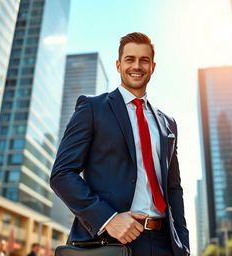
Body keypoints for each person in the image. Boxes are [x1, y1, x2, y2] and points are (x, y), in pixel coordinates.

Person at [50, 32, 190, 256]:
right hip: (109, 241)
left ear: (153, 66)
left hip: (165, 244)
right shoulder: (92, 109)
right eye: (130, 59)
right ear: (118, 65)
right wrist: (108, 219)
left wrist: (182, 243)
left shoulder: (168, 124)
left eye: (144, 60)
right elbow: (62, 174)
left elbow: (174, 189)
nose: (137, 66)